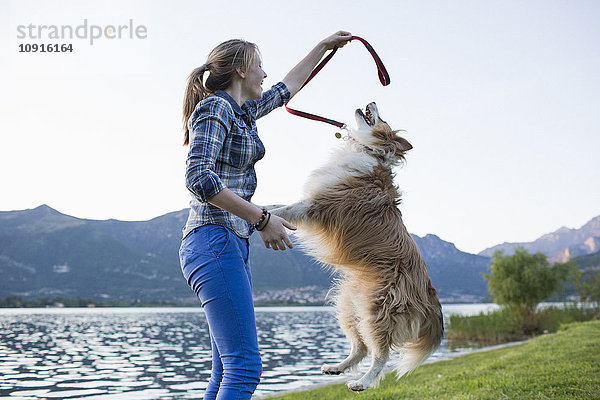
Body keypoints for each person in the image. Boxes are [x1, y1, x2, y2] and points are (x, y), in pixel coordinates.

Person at [179, 31, 352, 399]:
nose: (264, 73)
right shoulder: (216, 108)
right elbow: (198, 177)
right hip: (212, 241)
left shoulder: (241, 111)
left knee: (226, 370)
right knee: (244, 369)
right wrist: (261, 219)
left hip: (224, 243)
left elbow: (287, 87)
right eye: (259, 65)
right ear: (241, 70)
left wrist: (322, 47)